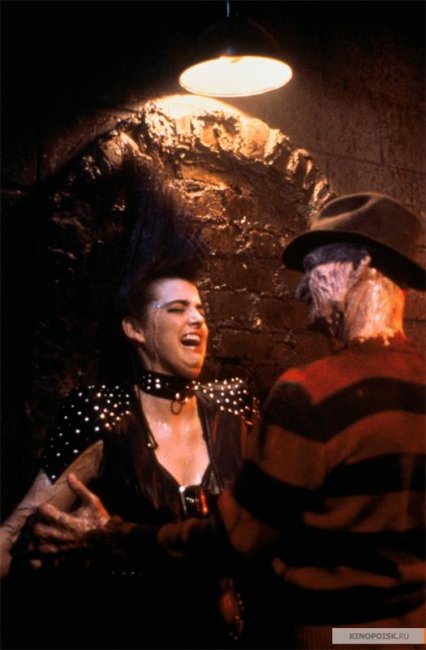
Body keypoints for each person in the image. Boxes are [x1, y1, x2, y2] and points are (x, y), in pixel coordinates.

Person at [154, 192, 425, 649]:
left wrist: (115, 538)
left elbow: (236, 542)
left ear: (357, 267)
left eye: (313, 267)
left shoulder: (310, 393)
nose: (301, 291)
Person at [0, 182, 258, 650]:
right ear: (134, 328)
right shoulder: (104, 411)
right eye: (177, 309)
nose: (198, 319)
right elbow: (13, 535)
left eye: (200, 309)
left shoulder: (234, 406)